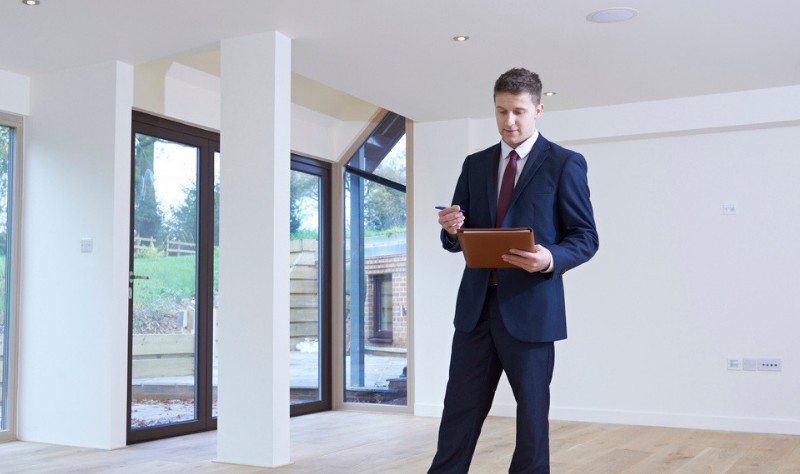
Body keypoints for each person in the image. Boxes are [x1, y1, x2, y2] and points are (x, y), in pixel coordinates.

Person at [429, 68, 599, 473]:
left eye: (519, 111)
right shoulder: (475, 164)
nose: (509, 121)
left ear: (538, 110)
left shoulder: (564, 164)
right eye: (501, 111)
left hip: (531, 309)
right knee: (458, 414)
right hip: (475, 311)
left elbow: (585, 237)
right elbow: (458, 235)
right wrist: (452, 230)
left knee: (532, 421)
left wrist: (549, 259)